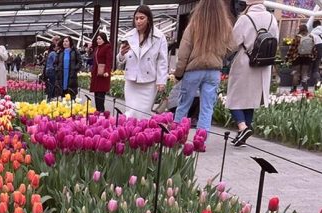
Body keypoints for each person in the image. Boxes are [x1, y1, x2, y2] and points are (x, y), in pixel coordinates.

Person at [172, 0, 233, 130]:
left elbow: (183, 52)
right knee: (207, 108)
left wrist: (178, 73)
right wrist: (220, 55)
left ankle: (177, 136)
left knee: (184, 105)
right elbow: (233, 46)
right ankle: (201, 141)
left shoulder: (193, 25)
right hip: (213, 71)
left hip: (193, 70)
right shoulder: (225, 26)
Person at [226, 0, 278, 146]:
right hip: (263, 65)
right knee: (251, 101)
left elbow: (233, 43)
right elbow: (276, 40)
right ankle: (243, 134)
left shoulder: (245, 19)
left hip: (245, 63)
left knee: (233, 99)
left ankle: (242, 127)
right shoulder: (272, 19)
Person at [117, 5, 169, 119]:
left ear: (148, 19)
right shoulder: (128, 36)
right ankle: (130, 135)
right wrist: (121, 54)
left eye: (142, 18)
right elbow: (121, 59)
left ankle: (142, 136)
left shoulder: (159, 37)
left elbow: (162, 60)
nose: (138, 21)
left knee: (143, 114)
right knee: (130, 113)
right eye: (136, 18)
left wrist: (161, 81)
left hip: (148, 82)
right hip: (131, 81)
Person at [286, 26, 317, 92]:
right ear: (306, 29)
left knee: (296, 73)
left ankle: (294, 89)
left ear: (300, 30)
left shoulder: (297, 37)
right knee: (304, 73)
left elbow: (292, 48)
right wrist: (314, 56)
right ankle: (305, 89)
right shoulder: (310, 37)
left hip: (297, 57)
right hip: (307, 58)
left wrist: (287, 58)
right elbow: (314, 48)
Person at [89, 32, 113, 113]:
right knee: (96, 94)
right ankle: (98, 111)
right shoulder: (97, 48)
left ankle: (101, 111)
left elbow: (109, 60)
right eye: (97, 39)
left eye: (100, 39)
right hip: (96, 73)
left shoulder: (107, 47)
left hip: (103, 74)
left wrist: (107, 71)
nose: (98, 40)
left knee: (100, 94)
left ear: (104, 39)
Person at [306, 19, 322, 88]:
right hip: (320, 50)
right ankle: (318, 84)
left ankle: (310, 84)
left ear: (314, 26)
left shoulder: (312, 34)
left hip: (314, 52)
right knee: (316, 69)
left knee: (311, 68)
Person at [45, 36, 61, 100]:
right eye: (57, 47)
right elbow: (55, 62)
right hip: (51, 70)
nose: (58, 48)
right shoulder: (54, 53)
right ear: (54, 48)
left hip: (48, 70)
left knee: (51, 84)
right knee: (52, 84)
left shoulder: (50, 53)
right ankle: (50, 97)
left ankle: (49, 96)